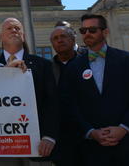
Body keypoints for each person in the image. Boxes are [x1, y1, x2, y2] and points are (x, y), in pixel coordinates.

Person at [61, 14, 129, 166]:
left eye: (93, 30)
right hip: (93, 150)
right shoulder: (73, 66)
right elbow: (69, 105)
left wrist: (123, 128)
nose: (87, 34)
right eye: (83, 30)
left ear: (105, 32)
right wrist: (90, 132)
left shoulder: (127, 59)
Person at [0, 18, 59, 166]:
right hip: (1, 144)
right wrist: (3, 73)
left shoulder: (43, 65)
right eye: (9, 28)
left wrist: (50, 136)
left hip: (39, 144)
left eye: (17, 28)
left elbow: (52, 103)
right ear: (0, 37)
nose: (14, 30)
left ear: (23, 36)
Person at [48, 24, 84, 166]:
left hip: (91, 133)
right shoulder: (49, 67)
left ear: (73, 37)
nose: (59, 40)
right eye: (55, 38)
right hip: (63, 138)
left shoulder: (89, 59)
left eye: (63, 36)